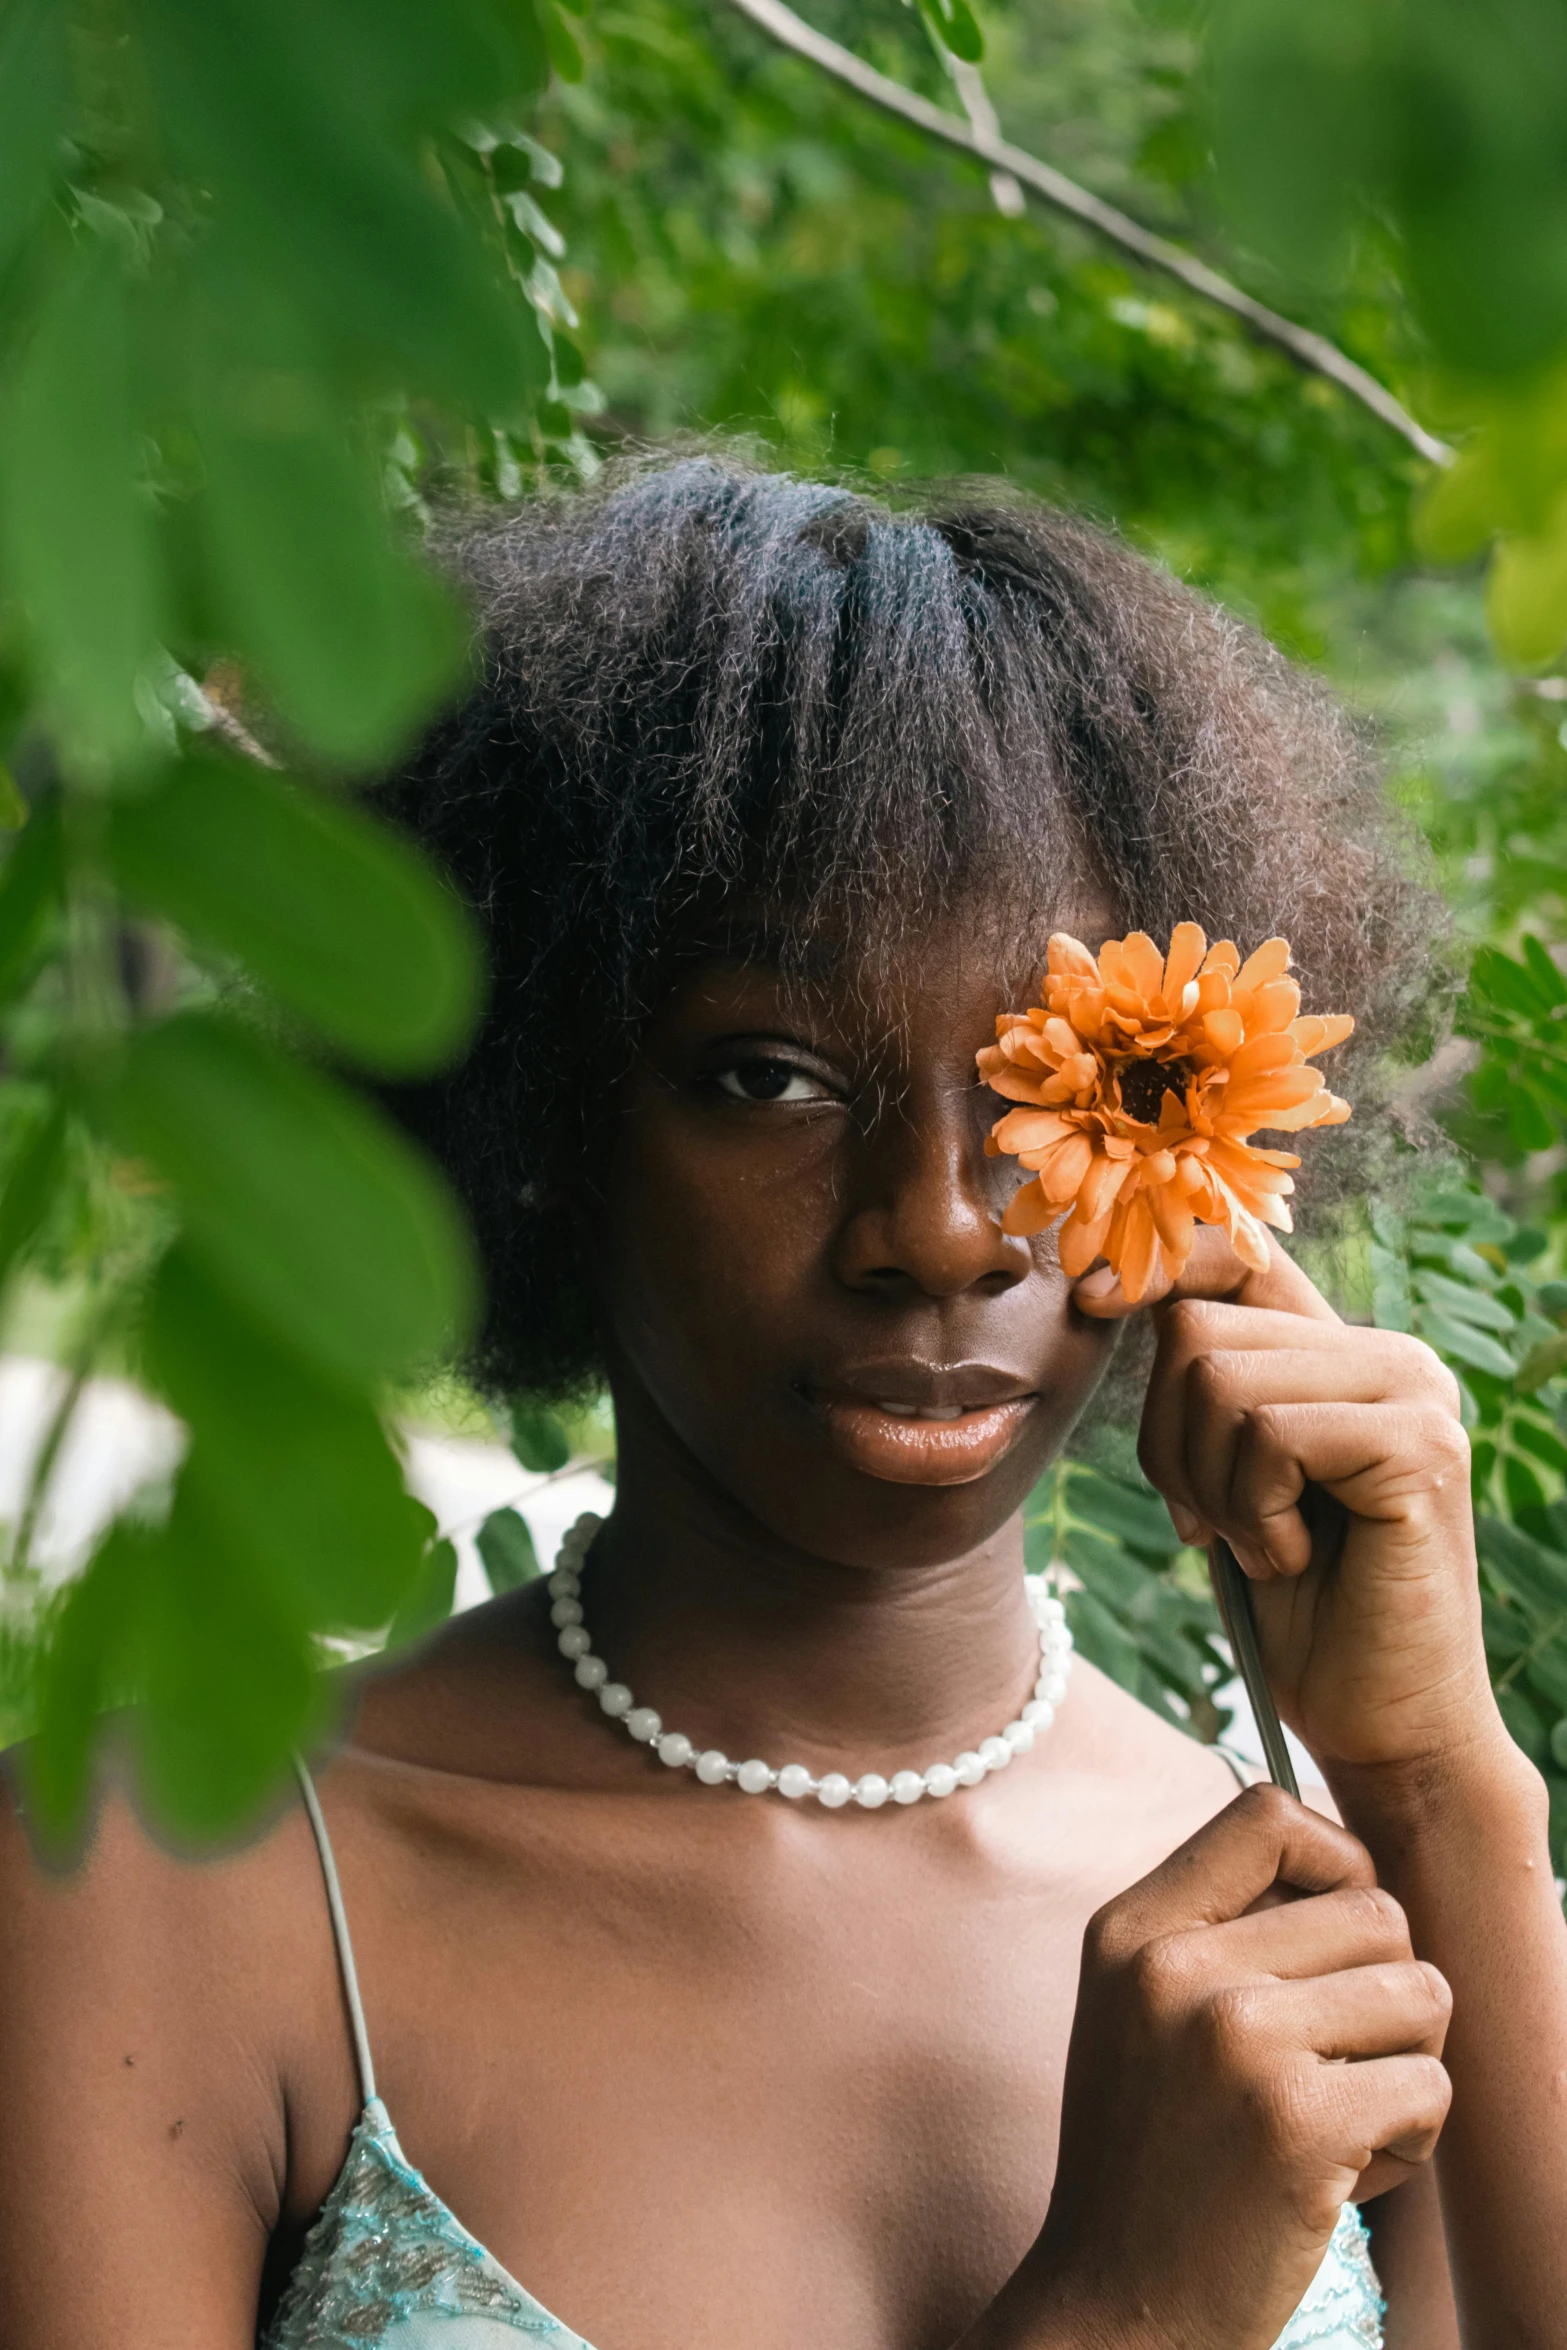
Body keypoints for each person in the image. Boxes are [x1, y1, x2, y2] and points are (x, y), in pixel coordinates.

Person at [2, 457, 1564, 2350]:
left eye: (1045, 1085)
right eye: (768, 1077)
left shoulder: (1356, 1917)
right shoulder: (153, 1888)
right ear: (547, 1112)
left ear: (1198, 1143)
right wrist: (1125, 2312)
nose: (936, 1228)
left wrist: (1441, 1786)